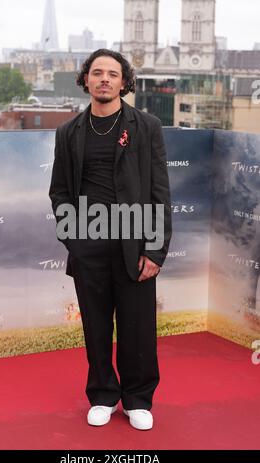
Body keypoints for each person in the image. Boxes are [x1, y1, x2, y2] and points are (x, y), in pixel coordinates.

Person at [49, 49, 172, 430]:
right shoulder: (68, 132)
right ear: (86, 79)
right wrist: (75, 242)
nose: (104, 79)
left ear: (124, 82)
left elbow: (159, 192)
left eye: (112, 74)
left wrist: (155, 248)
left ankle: (138, 399)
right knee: (96, 325)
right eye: (97, 72)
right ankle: (102, 393)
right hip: (88, 245)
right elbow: (59, 193)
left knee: (138, 326)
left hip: (134, 242)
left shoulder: (146, 126)